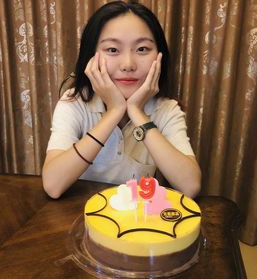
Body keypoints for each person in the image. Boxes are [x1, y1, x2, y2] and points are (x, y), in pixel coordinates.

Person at [42, 1, 201, 199]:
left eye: (142, 49)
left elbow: (190, 186)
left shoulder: (166, 110)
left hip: (138, 222)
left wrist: (136, 111)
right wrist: (114, 112)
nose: (128, 64)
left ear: (159, 57)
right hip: (81, 218)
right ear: (91, 57)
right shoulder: (74, 103)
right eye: (113, 50)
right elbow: (53, 185)